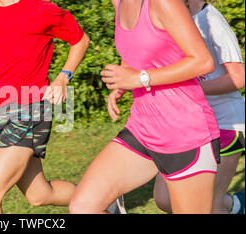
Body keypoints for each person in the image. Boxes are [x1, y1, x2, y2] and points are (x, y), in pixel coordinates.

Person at [69, 0, 220, 214]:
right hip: (142, 129)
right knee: (84, 207)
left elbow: (203, 61)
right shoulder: (119, 3)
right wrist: (123, 81)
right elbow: (136, 49)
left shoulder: (162, 3)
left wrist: (140, 78)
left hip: (185, 134)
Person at [0, 0, 92, 214]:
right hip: (0, 112)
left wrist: (63, 78)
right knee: (40, 194)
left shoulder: (40, 9)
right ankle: (100, 201)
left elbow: (81, 40)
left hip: (31, 109)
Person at [153, 0, 245, 214]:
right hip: (191, 124)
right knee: (164, 199)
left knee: (209, 207)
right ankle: (236, 206)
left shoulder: (211, 20)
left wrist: (193, 89)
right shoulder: (174, 18)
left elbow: (238, 77)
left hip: (227, 123)